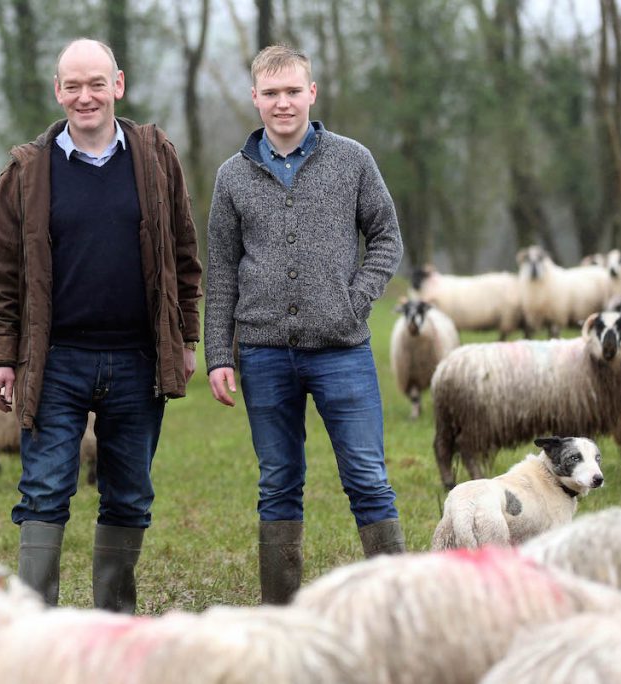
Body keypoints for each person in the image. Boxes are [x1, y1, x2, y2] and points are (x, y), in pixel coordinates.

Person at [0, 38, 202, 614]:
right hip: (55, 361)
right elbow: (1, 272)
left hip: (137, 359)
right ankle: (33, 633)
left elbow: (183, 254)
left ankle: (114, 628)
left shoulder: (155, 156)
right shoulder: (28, 170)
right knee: (45, 492)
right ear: (58, 91)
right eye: (73, 86)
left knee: (128, 497)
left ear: (118, 85)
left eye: (96, 83)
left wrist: (186, 338)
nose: (86, 97)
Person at [204, 44, 406, 605]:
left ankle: (398, 603)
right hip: (263, 354)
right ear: (255, 99)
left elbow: (387, 238)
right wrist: (219, 353)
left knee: (367, 477)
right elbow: (220, 267)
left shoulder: (352, 160)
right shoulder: (232, 176)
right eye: (271, 93)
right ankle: (280, 613)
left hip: (342, 349)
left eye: (293, 91)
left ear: (311, 93)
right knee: (277, 484)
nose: (282, 102)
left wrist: (354, 301)